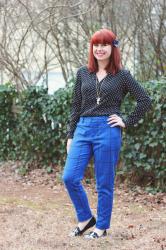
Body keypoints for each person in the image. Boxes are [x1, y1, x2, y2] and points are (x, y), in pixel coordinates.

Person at [62, 28, 152, 240]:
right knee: (69, 177)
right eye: (96, 44)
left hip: (108, 130)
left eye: (104, 45)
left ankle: (101, 227)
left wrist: (126, 121)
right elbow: (76, 105)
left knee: (104, 182)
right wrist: (70, 135)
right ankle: (85, 219)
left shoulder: (122, 75)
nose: (100, 49)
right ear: (92, 48)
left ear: (113, 48)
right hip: (83, 128)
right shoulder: (83, 73)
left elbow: (144, 100)